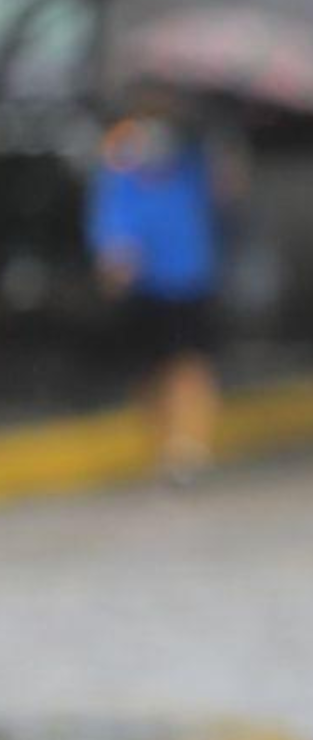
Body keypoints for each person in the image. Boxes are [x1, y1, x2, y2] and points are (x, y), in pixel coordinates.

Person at [89, 104, 225, 484]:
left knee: (190, 364)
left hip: (190, 281)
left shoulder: (195, 155)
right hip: (145, 286)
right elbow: (112, 218)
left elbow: (224, 192)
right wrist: (115, 258)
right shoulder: (122, 154)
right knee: (150, 373)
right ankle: (163, 447)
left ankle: (189, 449)